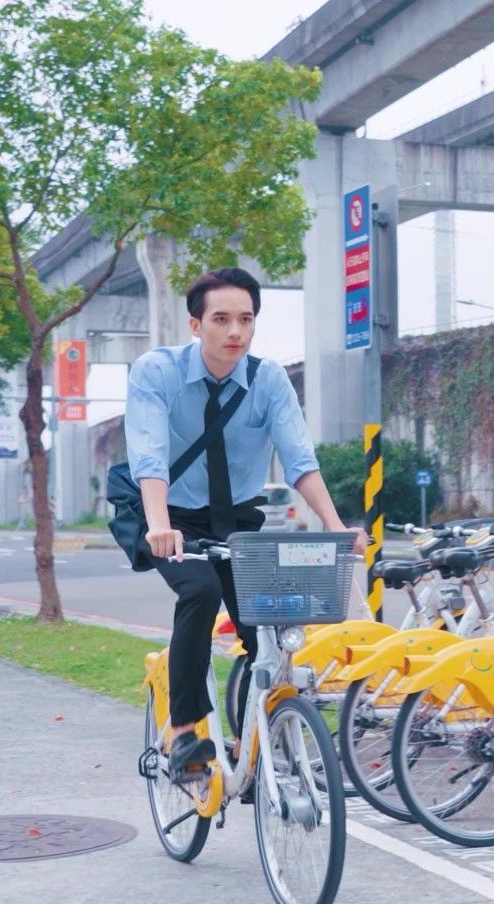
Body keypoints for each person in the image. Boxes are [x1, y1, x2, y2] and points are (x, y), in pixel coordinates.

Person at [125, 267, 365, 781]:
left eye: (246, 319)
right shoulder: (157, 372)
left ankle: (255, 735)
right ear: (196, 325)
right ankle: (186, 731)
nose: (235, 331)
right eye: (221, 319)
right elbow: (148, 456)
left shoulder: (267, 379)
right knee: (200, 589)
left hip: (233, 520)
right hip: (162, 511)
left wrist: (335, 524)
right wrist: (160, 526)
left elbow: (300, 459)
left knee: (270, 622)